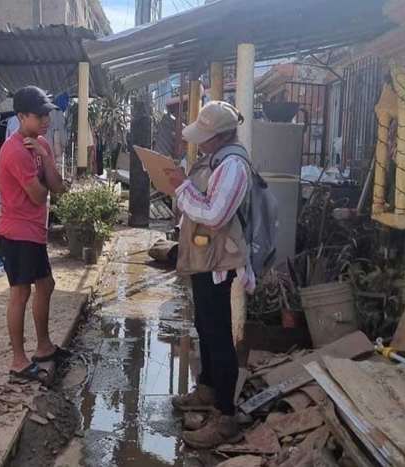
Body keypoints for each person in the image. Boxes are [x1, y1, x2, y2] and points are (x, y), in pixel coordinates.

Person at [167, 100, 256, 449]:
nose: (199, 142)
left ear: (220, 136)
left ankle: (225, 415)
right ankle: (207, 390)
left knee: (219, 336)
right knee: (204, 326)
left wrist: (181, 187)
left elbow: (215, 215)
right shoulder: (216, 159)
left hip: (219, 262)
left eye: (204, 137)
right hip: (205, 258)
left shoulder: (233, 165)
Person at [0, 86, 69, 383]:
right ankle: (18, 360)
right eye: (39, 115)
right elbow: (40, 195)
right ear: (21, 116)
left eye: (47, 114)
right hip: (15, 234)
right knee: (20, 294)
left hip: (34, 232)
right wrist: (45, 170)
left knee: (47, 285)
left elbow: (59, 186)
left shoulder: (41, 146)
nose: (45, 120)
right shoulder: (14, 151)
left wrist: (45, 156)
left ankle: (43, 346)